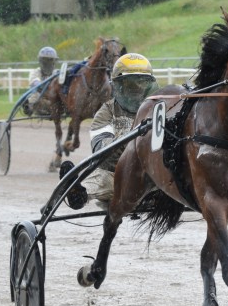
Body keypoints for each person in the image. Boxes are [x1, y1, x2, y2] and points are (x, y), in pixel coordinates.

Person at [61, 53, 158, 210]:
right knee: (98, 176)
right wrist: (129, 139)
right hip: (117, 174)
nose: (135, 89)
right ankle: (77, 193)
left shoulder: (159, 108)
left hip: (153, 174)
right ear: (118, 86)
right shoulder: (106, 112)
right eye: (129, 84)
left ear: (149, 85)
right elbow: (101, 149)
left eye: (141, 82)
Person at [23, 46, 59, 116]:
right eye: (45, 61)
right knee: (35, 93)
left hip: (52, 101)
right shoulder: (35, 72)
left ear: (54, 62)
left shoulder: (56, 73)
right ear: (41, 61)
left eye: (50, 60)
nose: (48, 63)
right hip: (38, 100)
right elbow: (36, 84)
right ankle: (30, 107)